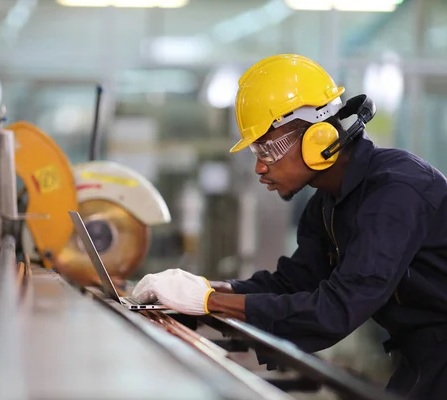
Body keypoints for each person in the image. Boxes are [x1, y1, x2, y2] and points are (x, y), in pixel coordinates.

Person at [131, 54, 447, 400]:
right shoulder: (328, 203)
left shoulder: (396, 192)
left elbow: (337, 310)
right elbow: (291, 284)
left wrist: (209, 301)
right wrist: (201, 286)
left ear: (319, 136)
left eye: (268, 149)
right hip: (424, 356)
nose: (260, 168)